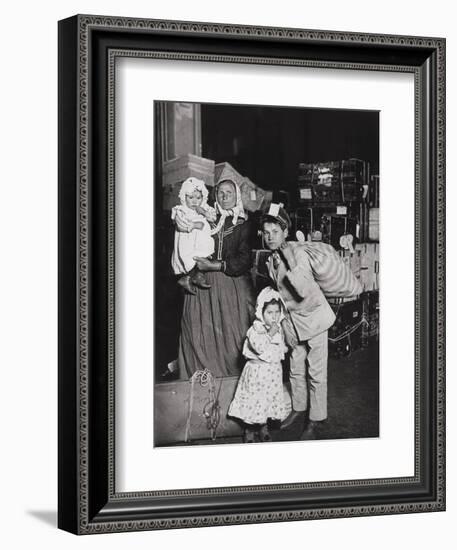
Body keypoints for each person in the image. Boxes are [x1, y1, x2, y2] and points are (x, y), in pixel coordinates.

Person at [260, 203, 336, 439]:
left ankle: (316, 420)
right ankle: (299, 407)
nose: (270, 237)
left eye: (275, 232)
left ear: (286, 232)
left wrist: (290, 257)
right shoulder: (270, 259)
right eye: (266, 232)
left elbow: (301, 288)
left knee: (316, 372)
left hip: (314, 318)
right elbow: (281, 296)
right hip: (293, 321)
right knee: (295, 368)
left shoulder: (297, 253)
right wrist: (284, 324)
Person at [177, 179, 255, 378]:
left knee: (232, 338)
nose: (224, 196)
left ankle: (233, 384)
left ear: (237, 195)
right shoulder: (206, 217)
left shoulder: (244, 224)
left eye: (229, 192)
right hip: (202, 284)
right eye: (220, 192)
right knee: (197, 333)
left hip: (230, 285)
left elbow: (245, 260)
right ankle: (201, 383)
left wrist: (215, 265)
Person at [228, 287, 289, 443]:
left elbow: (279, 347)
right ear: (261, 313)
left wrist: (284, 348)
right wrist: (270, 334)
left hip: (272, 373)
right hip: (257, 373)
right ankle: (249, 430)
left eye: (277, 312)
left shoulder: (279, 328)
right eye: (270, 313)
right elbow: (259, 346)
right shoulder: (256, 329)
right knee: (254, 401)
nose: (274, 316)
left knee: (267, 401)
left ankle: (263, 427)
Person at [171, 177, 217, 294]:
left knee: (203, 256)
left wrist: (203, 212)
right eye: (190, 198)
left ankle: (196, 276)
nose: (194, 201)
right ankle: (187, 277)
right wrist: (195, 225)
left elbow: (213, 218)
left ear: (203, 198)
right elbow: (180, 226)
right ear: (183, 197)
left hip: (201, 240)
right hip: (187, 240)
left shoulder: (205, 208)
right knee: (190, 258)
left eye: (198, 198)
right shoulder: (181, 210)